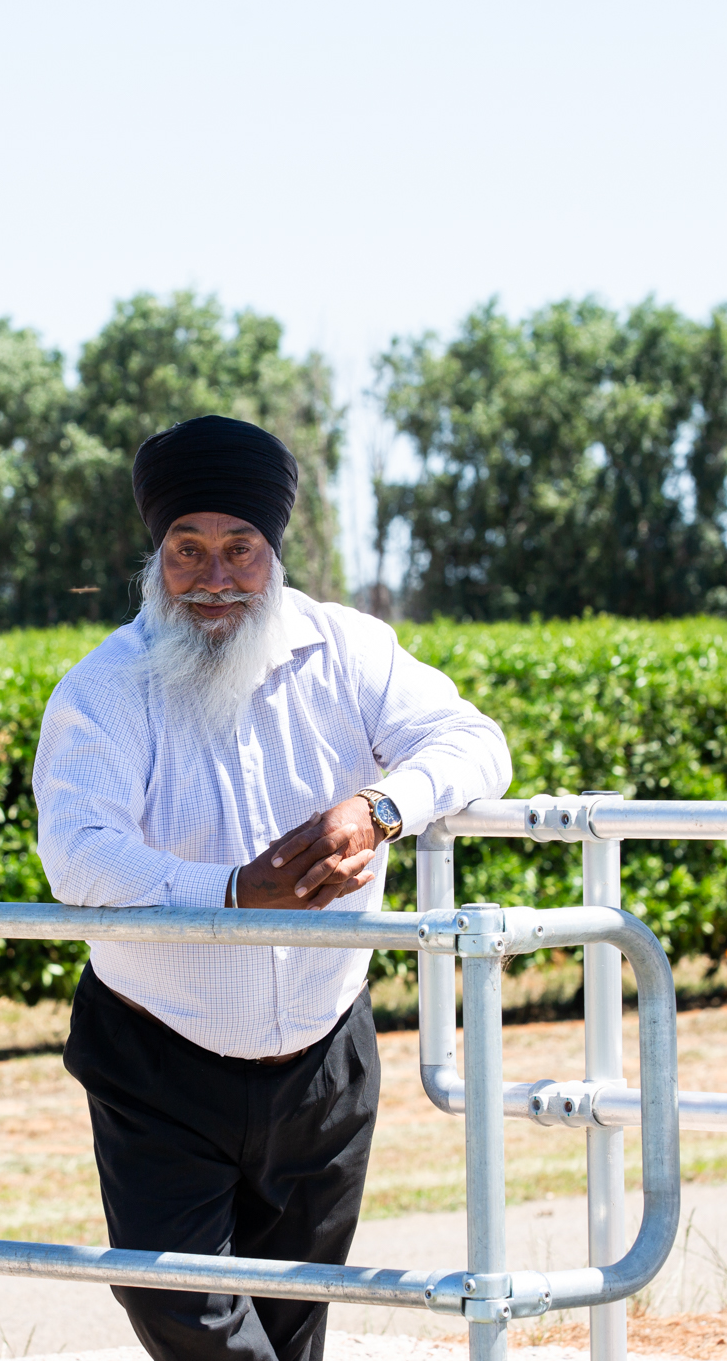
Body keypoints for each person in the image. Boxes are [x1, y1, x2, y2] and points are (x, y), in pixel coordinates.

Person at [33, 414, 513, 1361]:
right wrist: (232, 891)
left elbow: (474, 744)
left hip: (324, 1060)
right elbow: (81, 855)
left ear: (274, 552)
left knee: (294, 1323)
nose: (214, 578)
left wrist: (381, 806)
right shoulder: (105, 687)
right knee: (190, 1312)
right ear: (156, 558)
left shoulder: (351, 651)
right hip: (157, 1056)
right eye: (188, 550)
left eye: (240, 549)